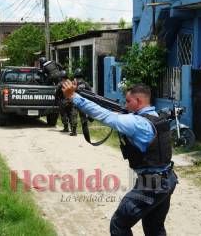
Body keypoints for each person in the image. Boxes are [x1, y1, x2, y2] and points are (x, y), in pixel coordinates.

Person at [62, 82, 178, 236]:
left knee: (119, 224)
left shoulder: (136, 123)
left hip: (151, 184)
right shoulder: (155, 117)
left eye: (129, 101)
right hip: (168, 179)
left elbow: (104, 115)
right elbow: (113, 112)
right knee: (154, 228)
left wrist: (73, 96)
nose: (125, 105)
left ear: (139, 101)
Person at [55, 70, 78, 135]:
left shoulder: (60, 83)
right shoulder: (70, 82)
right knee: (72, 115)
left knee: (63, 114)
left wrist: (56, 100)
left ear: (61, 77)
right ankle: (73, 130)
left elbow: (56, 92)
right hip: (72, 100)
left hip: (64, 101)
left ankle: (66, 128)